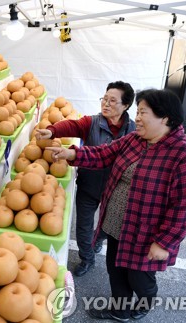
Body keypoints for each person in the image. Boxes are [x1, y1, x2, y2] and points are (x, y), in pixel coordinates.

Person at [45, 88, 186, 323]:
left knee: (139, 277)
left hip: (147, 235)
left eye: (143, 113)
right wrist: (71, 153)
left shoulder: (183, 157)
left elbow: (184, 208)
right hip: (118, 224)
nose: (137, 118)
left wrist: (165, 242)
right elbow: (103, 154)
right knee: (115, 268)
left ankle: (146, 300)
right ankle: (120, 310)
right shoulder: (135, 140)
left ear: (166, 118)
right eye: (137, 112)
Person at [35, 81, 136, 277]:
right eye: (104, 99)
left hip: (115, 190)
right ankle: (87, 258)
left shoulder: (133, 131)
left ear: (125, 106)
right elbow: (72, 125)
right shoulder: (92, 122)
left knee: (108, 225)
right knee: (83, 226)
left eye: (112, 101)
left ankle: (99, 239)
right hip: (89, 185)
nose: (105, 104)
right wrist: (53, 130)